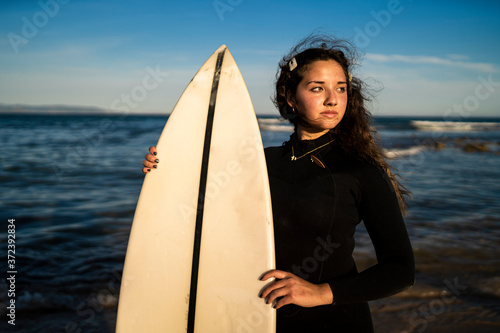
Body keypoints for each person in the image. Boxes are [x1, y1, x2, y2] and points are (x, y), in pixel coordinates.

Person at [142, 35, 415, 332]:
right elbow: (202, 208)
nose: (332, 99)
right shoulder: (258, 163)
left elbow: (400, 270)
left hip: (333, 321)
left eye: (341, 88)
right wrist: (164, 169)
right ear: (290, 97)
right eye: (316, 88)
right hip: (257, 317)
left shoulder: (361, 170)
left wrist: (320, 292)